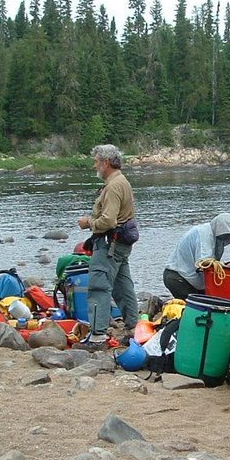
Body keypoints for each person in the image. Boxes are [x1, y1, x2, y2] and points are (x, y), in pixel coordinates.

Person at [75, 144, 138, 351]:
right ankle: (133, 329)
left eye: (96, 162)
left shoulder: (113, 186)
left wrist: (89, 223)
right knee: (122, 285)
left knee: (98, 287)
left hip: (109, 244)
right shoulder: (123, 182)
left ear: (106, 163)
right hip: (120, 244)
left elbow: (109, 221)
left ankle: (97, 337)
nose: (95, 165)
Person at [163, 212, 230, 299]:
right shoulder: (204, 234)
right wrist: (224, 266)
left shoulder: (208, 232)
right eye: (225, 236)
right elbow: (203, 263)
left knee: (209, 301)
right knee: (198, 307)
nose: (226, 239)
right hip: (178, 278)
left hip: (187, 279)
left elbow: (208, 263)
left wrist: (227, 265)